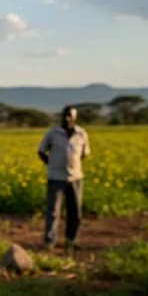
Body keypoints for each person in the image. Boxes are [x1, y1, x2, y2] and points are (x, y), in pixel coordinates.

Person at [38, 105, 91, 251]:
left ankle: (71, 240)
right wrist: (51, 164)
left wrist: (74, 166)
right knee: (53, 211)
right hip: (55, 177)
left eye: (71, 115)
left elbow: (84, 154)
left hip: (76, 178)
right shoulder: (53, 133)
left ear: (75, 117)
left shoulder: (81, 134)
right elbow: (41, 151)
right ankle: (50, 241)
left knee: (75, 211)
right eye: (66, 114)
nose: (68, 117)